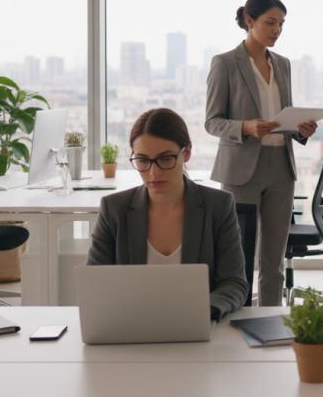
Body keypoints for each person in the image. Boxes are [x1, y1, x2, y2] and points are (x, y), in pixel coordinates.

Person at [205, 0, 317, 307]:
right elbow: (212, 122)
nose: (276, 30)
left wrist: (301, 129)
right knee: (237, 258)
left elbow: (285, 115)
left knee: (274, 259)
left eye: (281, 24)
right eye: (270, 23)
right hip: (242, 170)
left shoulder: (282, 64)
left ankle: (270, 321)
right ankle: (235, 321)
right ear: (250, 21)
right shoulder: (225, 63)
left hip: (281, 167)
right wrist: (246, 126)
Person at [86, 108, 248, 320]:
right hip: (130, 326)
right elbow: (95, 282)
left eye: (165, 159)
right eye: (143, 160)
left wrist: (200, 311)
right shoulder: (114, 209)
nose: (154, 172)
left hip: (196, 325)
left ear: (187, 152)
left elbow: (234, 283)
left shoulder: (218, 206)